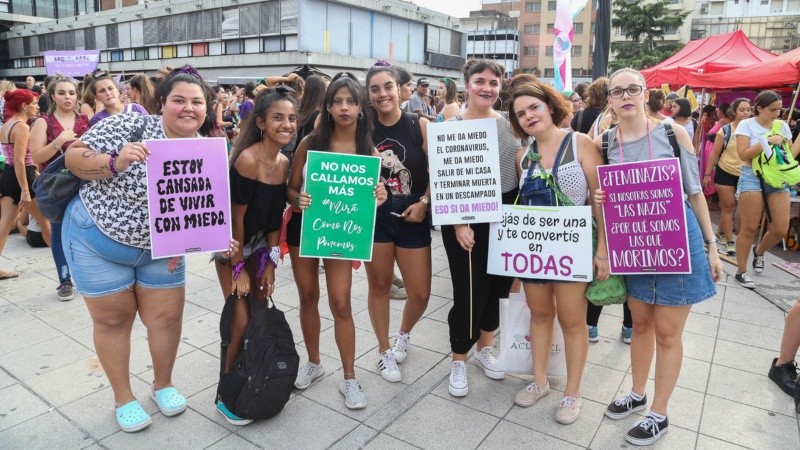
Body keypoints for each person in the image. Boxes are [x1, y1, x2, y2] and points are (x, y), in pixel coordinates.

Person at [61, 66, 226, 433]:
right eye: (178, 100)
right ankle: (124, 397)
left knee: (166, 319)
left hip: (162, 248)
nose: (188, 108)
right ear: (162, 103)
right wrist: (114, 162)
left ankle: (162, 384)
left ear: (206, 108)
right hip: (97, 240)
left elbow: (206, 207)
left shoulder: (206, 148)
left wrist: (219, 236)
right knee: (113, 320)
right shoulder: (128, 125)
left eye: (197, 102)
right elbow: (74, 156)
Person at [595, 68, 722, 446]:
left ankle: (659, 413)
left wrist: (711, 245)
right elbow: (601, 200)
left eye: (633, 88)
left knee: (668, 333)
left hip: (676, 243)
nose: (626, 95)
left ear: (645, 93)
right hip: (633, 245)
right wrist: (598, 201)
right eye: (618, 91)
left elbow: (695, 192)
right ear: (611, 100)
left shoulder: (672, 132)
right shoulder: (604, 142)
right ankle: (637, 393)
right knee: (640, 325)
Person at [507, 81, 608, 424]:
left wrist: (603, 251)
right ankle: (539, 382)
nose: (528, 116)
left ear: (550, 105)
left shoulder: (580, 144)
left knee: (572, 320)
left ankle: (572, 393)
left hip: (572, 251)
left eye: (533, 107)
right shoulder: (523, 156)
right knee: (539, 315)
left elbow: (601, 201)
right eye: (521, 113)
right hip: (535, 252)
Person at [288, 73, 388, 409]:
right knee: (307, 296)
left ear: (361, 107)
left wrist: (379, 192)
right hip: (305, 231)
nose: (344, 107)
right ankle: (314, 362)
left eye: (350, 101)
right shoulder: (310, 142)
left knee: (342, 303)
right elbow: (290, 187)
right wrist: (296, 199)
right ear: (328, 106)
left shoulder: (367, 149)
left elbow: (372, 196)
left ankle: (349, 378)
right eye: (337, 101)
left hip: (340, 233)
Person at [212, 87, 294, 425]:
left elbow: (275, 217)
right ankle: (227, 390)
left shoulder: (284, 161)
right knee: (241, 319)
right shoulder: (247, 159)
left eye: (291, 118)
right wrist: (238, 269)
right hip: (233, 245)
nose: (286, 124)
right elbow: (236, 220)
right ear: (261, 122)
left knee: (259, 314)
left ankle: (252, 376)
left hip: (262, 246)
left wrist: (271, 263)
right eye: (277, 117)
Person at [442, 59, 520, 397]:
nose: (486, 87)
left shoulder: (509, 123)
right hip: (466, 213)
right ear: (467, 84)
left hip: (506, 212)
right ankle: (459, 358)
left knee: (499, 287)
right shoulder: (453, 122)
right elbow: (445, 175)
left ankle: (485, 348)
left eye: (493, 82)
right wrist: (460, 222)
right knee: (469, 290)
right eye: (479, 81)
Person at [364, 62, 432, 384]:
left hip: (413, 213)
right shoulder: (362, 128)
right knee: (379, 286)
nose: (382, 94)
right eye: (375, 89)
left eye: (387, 86)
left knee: (419, 293)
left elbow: (441, 171)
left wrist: (424, 203)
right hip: (374, 216)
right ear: (368, 94)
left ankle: (403, 333)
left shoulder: (419, 125)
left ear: (400, 88)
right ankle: (383, 349)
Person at [30, 75, 90, 301]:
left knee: (86, 230)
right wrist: (59, 141)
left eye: (72, 93)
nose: (68, 97)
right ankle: (65, 281)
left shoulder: (86, 120)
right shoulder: (43, 122)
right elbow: (36, 156)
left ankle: (87, 275)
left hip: (85, 182)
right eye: (62, 93)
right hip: (56, 185)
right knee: (58, 231)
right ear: (53, 96)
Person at [733, 90, 795, 289]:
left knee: (779, 228)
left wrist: (785, 146)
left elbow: (789, 155)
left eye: (780, 109)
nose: (777, 113)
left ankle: (759, 252)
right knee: (749, 227)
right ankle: (741, 271)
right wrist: (766, 141)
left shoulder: (782, 126)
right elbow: (743, 155)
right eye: (772, 109)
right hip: (751, 175)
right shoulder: (747, 124)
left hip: (777, 177)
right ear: (759, 108)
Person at [0, 89, 50, 280]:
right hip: (22, 178)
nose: (37, 106)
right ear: (24, 105)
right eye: (34, 103)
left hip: (9, 176)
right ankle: (65, 268)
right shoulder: (22, 126)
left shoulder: (7, 125)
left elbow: (15, 159)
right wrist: (25, 190)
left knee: (5, 225)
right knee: (45, 223)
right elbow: (20, 160)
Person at [703, 99, 751, 258]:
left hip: (745, 173)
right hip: (725, 171)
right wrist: (708, 173)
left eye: (748, 110)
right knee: (728, 206)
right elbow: (715, 153)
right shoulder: (726, 130)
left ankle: (721, 231)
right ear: (734, 112)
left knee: (738, 207)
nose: (745, 113)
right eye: (742, 110)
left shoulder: (754, 130)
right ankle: (730, 242)